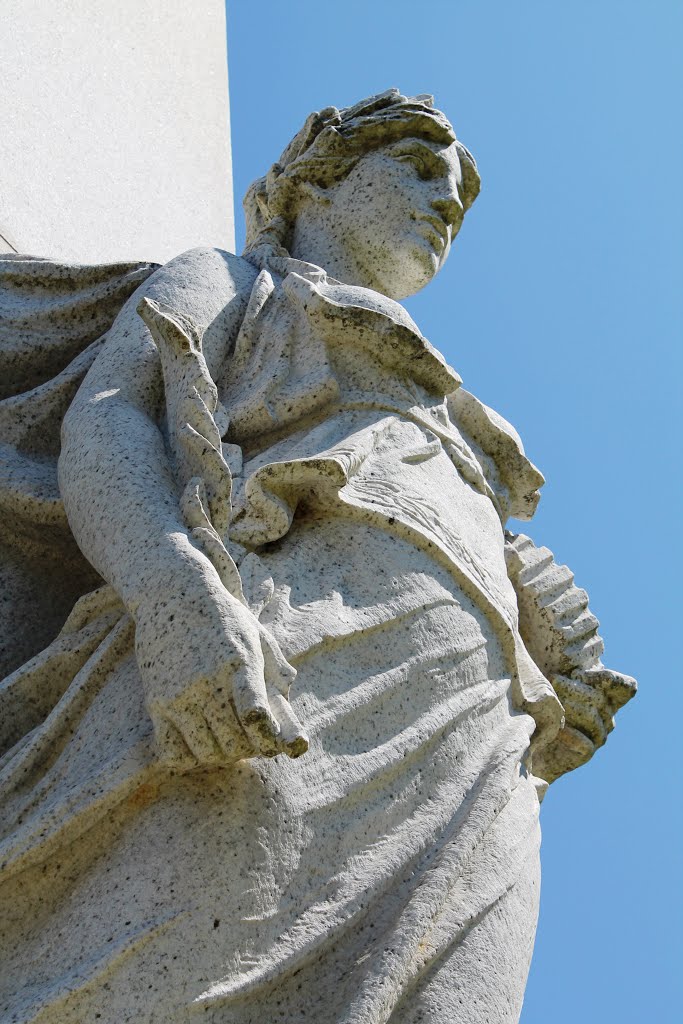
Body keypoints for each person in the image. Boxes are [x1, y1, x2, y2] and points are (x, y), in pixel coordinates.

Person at [0, 90, 635, 1024]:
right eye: (419, 170)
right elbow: (111, 425)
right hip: (288, 660)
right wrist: (172, 596)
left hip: (480, 732)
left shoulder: (448, 406)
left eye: (456, 199)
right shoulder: (230, 282)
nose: (444, 204)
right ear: (319, 183)